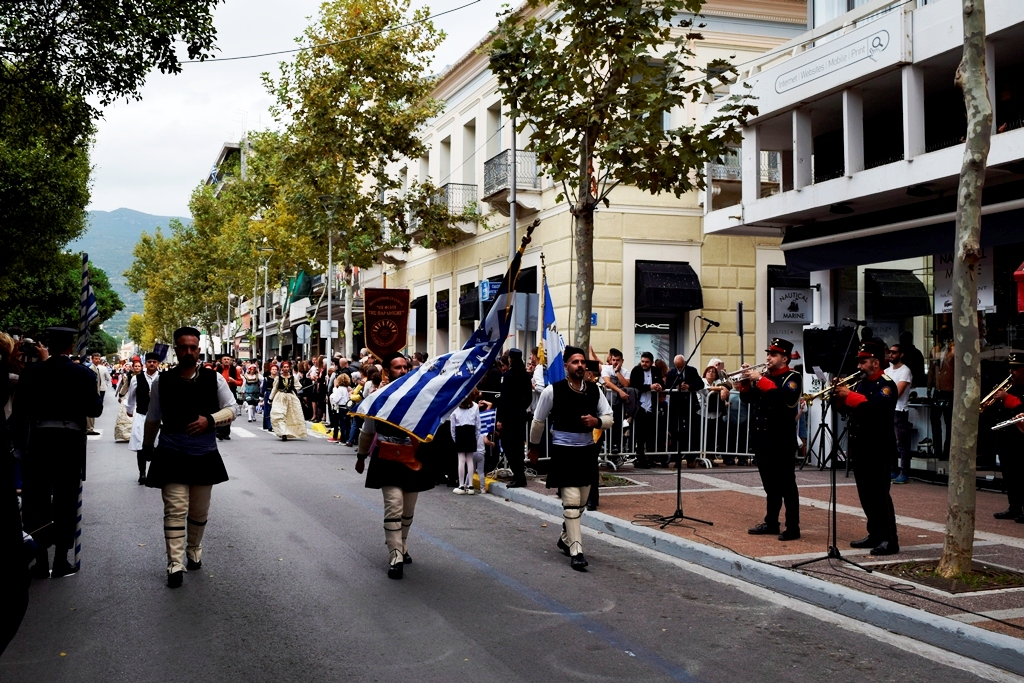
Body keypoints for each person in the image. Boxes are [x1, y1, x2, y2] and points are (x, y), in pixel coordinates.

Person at [142, 327, 237, 588]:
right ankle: (174, 563)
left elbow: (232, 408)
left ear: (199, 350)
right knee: (175, 509)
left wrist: (210, 420)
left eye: (193, 347)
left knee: (199, 509)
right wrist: (147, 446)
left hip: (204, 454)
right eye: (183, 347)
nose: (188, 352)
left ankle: (194, 549)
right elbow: (153, 417)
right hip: (171, 452)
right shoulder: (162, 381)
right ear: (176, 349)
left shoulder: (214, 379)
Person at [15, 327, 103, 578]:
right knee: (66, 500)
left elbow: (20, 411)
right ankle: (62, 559)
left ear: (48, 346)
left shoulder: (32, 372)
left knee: (37, 501)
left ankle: (41, 560)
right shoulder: (83, 374)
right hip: (69, 443)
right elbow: (95, 410)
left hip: (39, 442)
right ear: (70, 346)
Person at [529, 346, 612, 571]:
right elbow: (538, 421)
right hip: (563, 452)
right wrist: (534, 448)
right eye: (575, 362)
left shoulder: (594, 390)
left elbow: (609, 416)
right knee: (572, 503)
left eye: (582, 362)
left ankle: (565, 538)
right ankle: (577, 552)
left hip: (586, 452)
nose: (580, 365)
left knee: (581, 503)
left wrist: (596, 422)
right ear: (566, 366)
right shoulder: (552, 390)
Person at [355, 352, 434, 579]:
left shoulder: (420, 397)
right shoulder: (378, 398)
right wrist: (361, 456)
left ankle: (403, 544)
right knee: (394, 506)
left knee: (408, 510)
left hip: (412, 459)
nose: (403, 371)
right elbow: (367, 431)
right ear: (387, 372)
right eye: (398, 367)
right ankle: (395, 555)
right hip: (387, 459)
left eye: (405, 367)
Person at [834, 341, 900, 556]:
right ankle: (875, 533)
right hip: (860, 446)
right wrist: (838, 396)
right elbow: (847, 411)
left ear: (876, 362)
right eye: (859, 362)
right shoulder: (860, 384)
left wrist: (848, 395)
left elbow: (874, 410)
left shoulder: (886, 385)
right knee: (866, 495)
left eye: (863, 362)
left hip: (878, 447)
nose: (859, 366)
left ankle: (889, 539)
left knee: (880, 495)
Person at [738, 338, 802, 541]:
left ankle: (793, 527)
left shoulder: (792, 377)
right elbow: (748, 399)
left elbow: (784, 399)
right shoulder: (766, 376)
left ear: (785, 358)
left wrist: (760, 379)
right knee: (770, 485)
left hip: (781, 440)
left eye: (773, 355)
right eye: (768, 354)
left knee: (787, 485)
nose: (768, 358)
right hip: (763, 439)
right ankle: (772, 522)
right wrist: (745, 382)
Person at [991, 353, 1024, 522]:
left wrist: (1006, 398)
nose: (1012, 372)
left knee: (1021, 474)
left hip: (1020, 436)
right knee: (1009, 474)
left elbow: (1021, 407)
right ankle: (1014, 506)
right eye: (1010, 368)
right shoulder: (1010, 386)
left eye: (1016, 368)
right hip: (1006, 436)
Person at [497, 348, 533, 488]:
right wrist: (520, 408)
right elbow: (528, 398)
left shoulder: (508, 376)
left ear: (510, 359)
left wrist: (501, 419)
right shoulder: (525, 376)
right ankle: (519, 476)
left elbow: (504, 400)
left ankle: (518, 476)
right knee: (518, 447)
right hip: (520, 416)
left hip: (509, 417)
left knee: (508, 446)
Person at [126, 353, 161, 484]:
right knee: (141, 445)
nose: (152, 364)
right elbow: (131, 395)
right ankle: (142, 473)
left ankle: (155, 473)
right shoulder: (137, 379)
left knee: (158, 445)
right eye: (149, 361)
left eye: (154, 362)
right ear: (145, 363)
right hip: (142, 415)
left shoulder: (163, 378)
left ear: (158, 364)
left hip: (159, 417)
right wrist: (129, 409)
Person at [664, 354, 705, 467]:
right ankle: (677, 458)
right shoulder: (671, 373)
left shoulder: (692, 371)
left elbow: (700, 384)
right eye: (678, 367)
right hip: (676, 407)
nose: (680, 369)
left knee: (691, 432)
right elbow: (667, 386)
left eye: (681, 367)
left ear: (685, 363)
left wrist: (689, 386)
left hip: (690, 406)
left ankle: (690, 458)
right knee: (676, 433)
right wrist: (676, 387)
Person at [629, 351, 663, 469]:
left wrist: (659, 386)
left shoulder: (656, 371)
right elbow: (635, 384)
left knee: (651, 433)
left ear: (651, 362)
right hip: (640, 406)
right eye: (642, 361)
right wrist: (649, 387)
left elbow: (661, 382)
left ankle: (650, 457)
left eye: (647, 362)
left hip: (652, 406)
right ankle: (640, 457)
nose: (644, 364)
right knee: (640, 434)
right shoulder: (636, 370)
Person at [886, 344, 913, 484]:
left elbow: (897, 392)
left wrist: (884, 394)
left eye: (894, 352)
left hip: (899, 410)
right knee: (890, 442)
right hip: (888, 410)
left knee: (902, 444)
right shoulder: (886, 371)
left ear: (901, 354)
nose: (891, 354)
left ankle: (904, 472)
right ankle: (893, 470)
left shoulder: (905, 371)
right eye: (889, 352)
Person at [450, 390, 484, 495]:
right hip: (471, 432)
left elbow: (452, 426)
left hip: (460, 432)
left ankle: (461, 485)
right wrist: (476, 437)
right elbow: (478, 424)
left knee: (461, 460)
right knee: (469, 459)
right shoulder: (475, 406)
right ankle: (470, 486)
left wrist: (455, 438)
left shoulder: (456, 406)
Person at [929, 328, 955, 459]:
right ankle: (937, 450)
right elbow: (931, 370)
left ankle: (947, 451)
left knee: (949, 422)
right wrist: (929, 387)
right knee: (935, 420)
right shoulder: (935, 350)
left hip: (949, 390)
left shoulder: (954, 351)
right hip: (938, 390)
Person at [270, 360, 305, 441]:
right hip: (280, 397)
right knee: (280, 414)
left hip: (290, 398)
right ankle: (283, 432)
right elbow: (274, 389)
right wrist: (270, 399)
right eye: (284, 367)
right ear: (282, 368)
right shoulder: (278, 378)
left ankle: (288, 431)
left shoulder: (293, 378)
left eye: (287, 367)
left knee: (289, 415)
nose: (286, 368)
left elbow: (298, 386)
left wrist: (296, 390)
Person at [215, 355, 242, 440]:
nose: (226, 361)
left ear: (231, 361)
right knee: (218, 410)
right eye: (224, 359)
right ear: (221, 361)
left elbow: (240, 382)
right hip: (218, 392)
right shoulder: (216, 370)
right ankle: (219, 431)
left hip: (231, 391)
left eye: (228, 359)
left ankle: (226, 433)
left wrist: (234, 381)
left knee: (229, 410)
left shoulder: (235, 370)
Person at [85, 351, 111, 435]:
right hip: (92, 393)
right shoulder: (91, 368)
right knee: (91, 412)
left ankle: (90, 428)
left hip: (97, 391)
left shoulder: (97, 368)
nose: (97, 360)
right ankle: (89, 428)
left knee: (93, 411)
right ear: (92, 359)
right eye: (96, 359)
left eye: (99, 359)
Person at [328, 373, 352, 443]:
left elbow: (336, 399)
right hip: (347, 407)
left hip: (341, 407)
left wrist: (333, 401)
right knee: (347, 424)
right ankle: (347, 438)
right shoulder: (346, 388)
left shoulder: (340, 389)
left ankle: (343, 439)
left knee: (342, 424)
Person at [261, 363, 277, 431]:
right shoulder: (266, 378)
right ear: (270, 370)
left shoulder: (278, 378)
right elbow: (263, 389)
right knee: (268, 410)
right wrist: (261, 398)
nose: (274, 370)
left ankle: (275, 425)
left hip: (276, 394)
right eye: (273, 369)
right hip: (268, 394)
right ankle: (269, 425)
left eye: (275, 369)